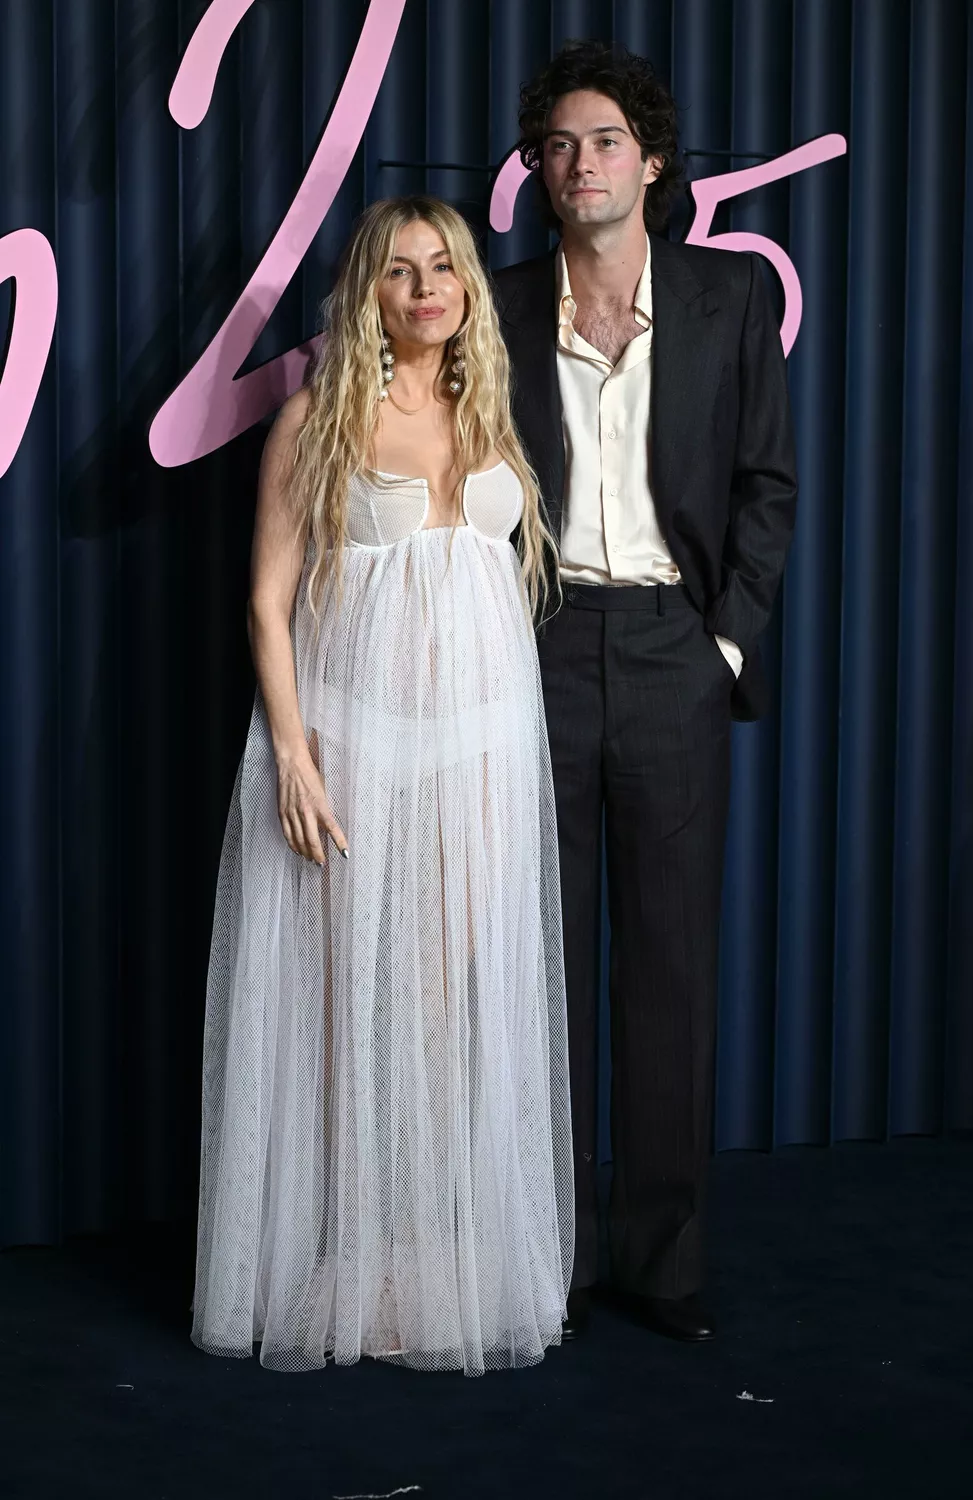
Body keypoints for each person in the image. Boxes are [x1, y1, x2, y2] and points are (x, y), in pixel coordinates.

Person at [191, 195, 574, 1375]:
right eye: (402, 270)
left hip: (484, 748)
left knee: (451, 1010)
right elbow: (267, 603)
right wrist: (293, 756)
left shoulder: (487, 405)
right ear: (368, 290)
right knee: (352, 1006)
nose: (426, 289)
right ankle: (352, 1256)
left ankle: (430, 1253)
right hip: (357, 747)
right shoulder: (315, 419)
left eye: (444, 267)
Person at [493, 41, 797, 1342]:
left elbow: (765, 487)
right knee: (539, 974)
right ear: (540, 171)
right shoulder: (496, 304)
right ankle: (545, 1261)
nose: (581, 163)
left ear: (652, 161)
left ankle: (661, 1266)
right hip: (539, 653)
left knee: (668, 975)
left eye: (605, 140)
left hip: (676, 651)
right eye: (559, 145)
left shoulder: (729, 297)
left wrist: (723, 646)